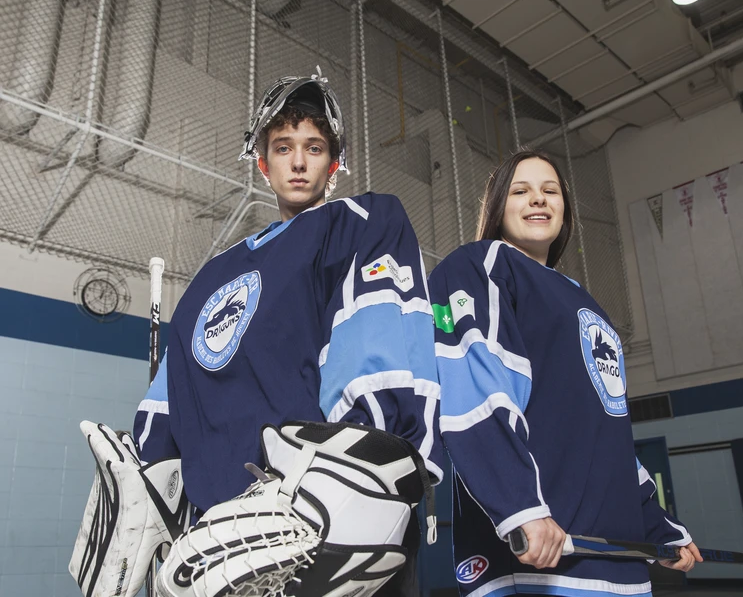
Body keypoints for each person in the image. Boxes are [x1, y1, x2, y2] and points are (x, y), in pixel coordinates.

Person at [133, 68, 442, 595]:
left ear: (335, 162)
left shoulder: (360, 223)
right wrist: (143, 477)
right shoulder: (213, 274)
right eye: (283, 146)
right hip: (218, 544)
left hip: (323, 528)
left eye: (314, 147)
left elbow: (377, 351)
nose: (298, 161)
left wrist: (357, 480)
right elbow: (170, 400)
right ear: (262, 161)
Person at [428, 150, 701, 597]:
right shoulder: (482, 266)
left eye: (549, 191)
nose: (538, 200)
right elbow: (474, 394)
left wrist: (658, 527)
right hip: (537, 561)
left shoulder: (588, 305)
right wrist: (520, 507)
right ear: (497, 207)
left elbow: (607, 436)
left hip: (619, 569)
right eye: (521, 191)